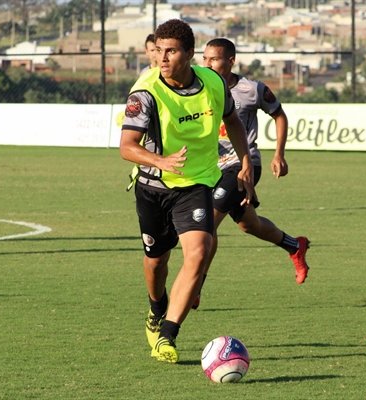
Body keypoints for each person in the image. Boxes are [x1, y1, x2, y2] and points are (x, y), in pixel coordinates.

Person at [119, 20, 256, 363]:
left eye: (171, 51)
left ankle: (168, 334)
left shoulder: (212, 82)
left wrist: (245, 162)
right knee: (156, 262)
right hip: (154, 186)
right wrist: (159, 160)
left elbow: (233, 120)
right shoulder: (145, 91)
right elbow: (126, 146)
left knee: (198, 250)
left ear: (190, 55)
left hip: (197, 183)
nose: (162, 58)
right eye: (159, 51)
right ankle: (155, 308)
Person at [193, 38, 311, 310]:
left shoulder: (251, 89)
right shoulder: (198, 88)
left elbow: (279, 115)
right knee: (250, 225)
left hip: (243, 165)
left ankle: (195, 286)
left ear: (231, 60)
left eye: (214, 59)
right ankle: (295, 246)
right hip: (210, 168)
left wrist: (279, 153)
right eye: (205, 58)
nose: (207, 63)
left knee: (207, 223)